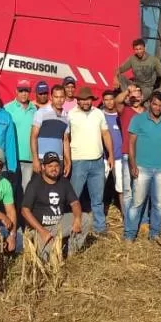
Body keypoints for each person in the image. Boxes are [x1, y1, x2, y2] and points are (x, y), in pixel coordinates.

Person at [124, 91, 161, 243]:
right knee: (137, 203)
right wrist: (133, 164)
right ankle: (129, 234)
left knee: (158, 204)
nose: (157, 108)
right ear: (149, 103)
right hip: (142, 168)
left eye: (160, 105)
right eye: (155, 104)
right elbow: (131, 144)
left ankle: (154, 234)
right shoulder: (138, 120)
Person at [21, 152, 86, 260]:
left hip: (59, 225)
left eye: (56, 166)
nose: (54, 169)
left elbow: (75, 203)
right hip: (40, 228)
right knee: (49, 259)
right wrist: (42, 231)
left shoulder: (64, 182)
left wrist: (78, 219)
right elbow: (24, 210)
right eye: (50, 166)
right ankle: (54, 250)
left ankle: (71, 253)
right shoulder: (34, 184)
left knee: (86, 219)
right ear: (43, 167)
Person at [68, 87, 114, 235]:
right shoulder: (70, 115)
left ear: (92, 100)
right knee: (74, 196)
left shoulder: (98, 113)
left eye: (88, 99)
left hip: (97, 162)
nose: (86, 102)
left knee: (97, 197)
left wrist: (111, 155)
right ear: (78, 101)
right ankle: (72, 224)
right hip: (78, 161)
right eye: (83, 99)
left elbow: (105, 134)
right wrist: (68, 159)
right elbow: (65, 138)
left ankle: (100, 227)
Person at [117, 83, 149, 228]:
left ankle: (143, 221)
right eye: (133, 95)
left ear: (142, 97)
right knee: (128, 191)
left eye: (138, 94)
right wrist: (127, 91)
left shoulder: (147, 113)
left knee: (143, 189)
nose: (135, 97)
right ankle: (130, 222)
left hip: (144, 156)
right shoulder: (125, 110)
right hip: (126, 155)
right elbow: (117, 101)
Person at [5, 79, 38, 189]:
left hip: (29, 158)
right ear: (16, 91)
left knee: (26, 189)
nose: (24, 94)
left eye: (26, 91)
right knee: (10, 189)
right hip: (12, 157)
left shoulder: (35, 110)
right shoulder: (7, 108)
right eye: (21, 91)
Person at [31, 84, 71, 175]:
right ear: (51, 97)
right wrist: (35, 159)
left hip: (58, 160)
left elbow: (65, 140)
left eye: (61, 97)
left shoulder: (66, 116)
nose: (59, 100)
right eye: (56, 97)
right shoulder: (41, 112)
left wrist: (68, 162)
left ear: (65, 98)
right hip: (42, 159)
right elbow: (33, 137)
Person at [113, 38, 161, 102]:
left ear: (144, 48)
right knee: (120, 77)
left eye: (140, 49)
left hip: (146, 88)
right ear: (134, 50)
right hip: (135, 85)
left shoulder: (154, 60)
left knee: (136, 100)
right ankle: (127, 96)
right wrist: (115, 78)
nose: (138, 51)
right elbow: (119, 69)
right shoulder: (132, 59)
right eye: (136, 49)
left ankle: (130, 99)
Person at [102, 90, 125, 214]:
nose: (109, 102)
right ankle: (98, 215)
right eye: (106, 100)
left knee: (121, 187)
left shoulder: (120, 115)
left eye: (111, 99)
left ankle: (125, 214)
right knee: (99, 187)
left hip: (119, 158)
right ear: (103, 101)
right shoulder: (100, 115)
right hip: (103, 158)